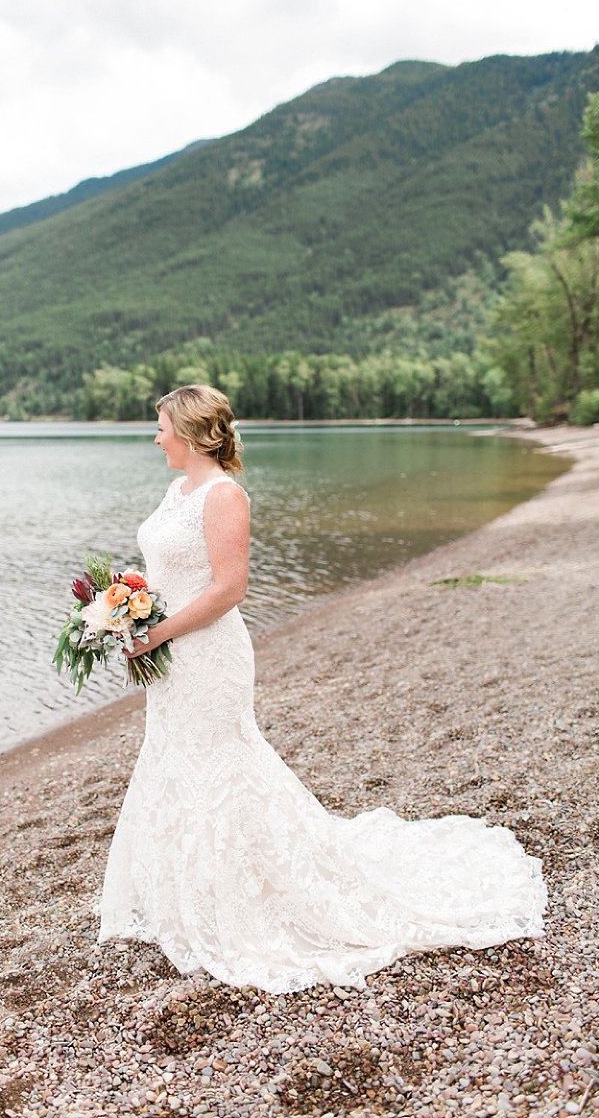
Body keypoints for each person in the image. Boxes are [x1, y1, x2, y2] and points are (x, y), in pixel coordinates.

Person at [96, 385, 546, 993]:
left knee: (220, 761)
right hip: (171, 655)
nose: (156, 438)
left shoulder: (224, 495)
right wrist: (128, 604)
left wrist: (157, 632)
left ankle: (248, 899)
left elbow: (229, 588)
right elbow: (172, 571)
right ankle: (188, 893)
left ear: (192, 433)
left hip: (207, 655)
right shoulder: (177, 492)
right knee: (174, 756)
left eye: (162, 428)